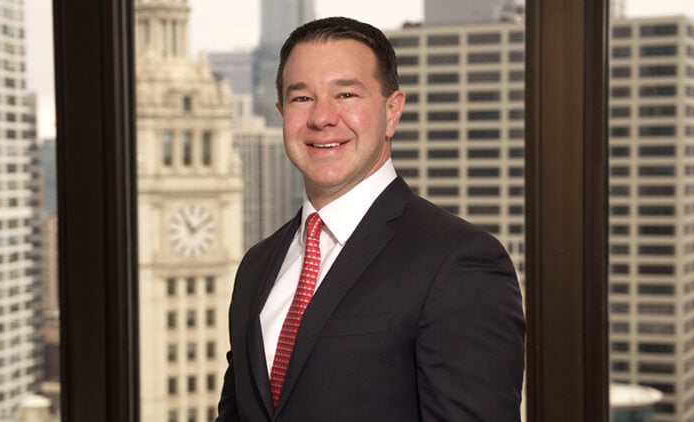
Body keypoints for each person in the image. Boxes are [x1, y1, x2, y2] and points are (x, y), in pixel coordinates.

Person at [216, 16, 525, 421]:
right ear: (281, 113)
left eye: (346, 94)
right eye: (302, 98)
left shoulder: (458, 261)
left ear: (392, 112)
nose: (321, 118)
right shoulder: (257, 265)